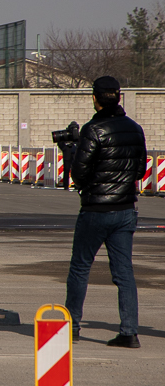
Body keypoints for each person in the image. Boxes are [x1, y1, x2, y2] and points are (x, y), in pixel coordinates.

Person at [64, 76, 147, 348]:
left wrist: (73, 157)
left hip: (96, 209)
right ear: (119, 97)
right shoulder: (135, 129)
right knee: (124, 273)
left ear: (94, 98)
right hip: (125, 209)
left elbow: (80, 171)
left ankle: (72, 326)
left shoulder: (93, 129)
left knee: (80, 268)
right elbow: (138, 170)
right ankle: (129, 331)